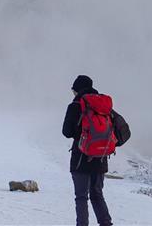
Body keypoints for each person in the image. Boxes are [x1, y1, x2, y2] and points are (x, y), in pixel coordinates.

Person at [62, 75, 113, 226]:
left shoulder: (75, 106)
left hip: (80, 158)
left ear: (77, 89)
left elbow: (66, 132)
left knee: (81, 197)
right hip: (100, 158)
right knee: (97, 195)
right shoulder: (103, 106)